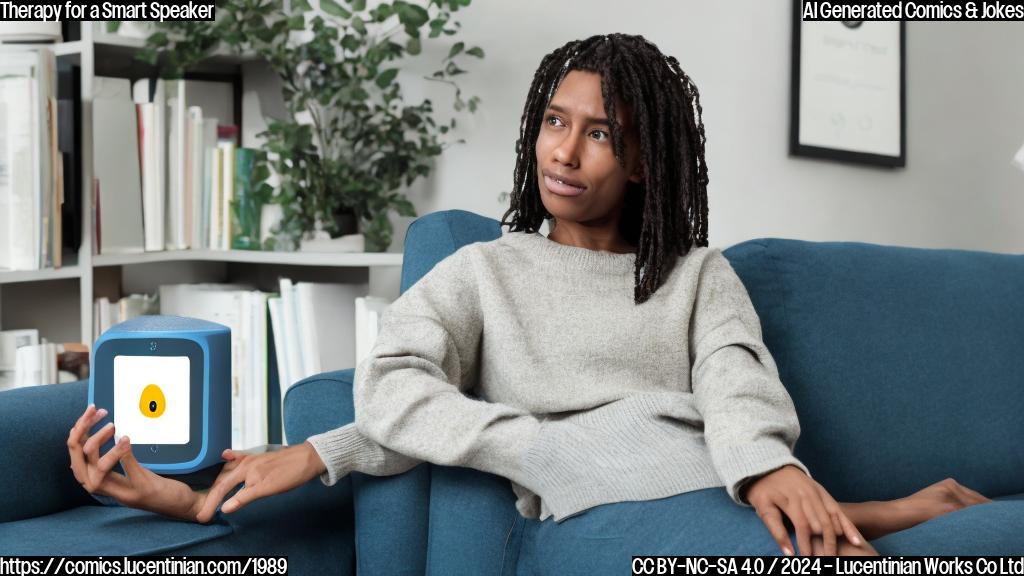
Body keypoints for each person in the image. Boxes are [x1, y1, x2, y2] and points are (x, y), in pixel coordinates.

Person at [68, 34, 990, 561]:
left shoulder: (698, 274)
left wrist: (768, 465)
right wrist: (528, 443)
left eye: (600, 134)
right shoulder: (485, 272)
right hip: (581, 482)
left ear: (643, 163)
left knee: (654, 433)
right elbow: (393, 386)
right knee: (417, 448)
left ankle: (847, 512)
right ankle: (869, 513)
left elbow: (733, 377)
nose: (565, 151)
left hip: (694, 455)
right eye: (555, 121)